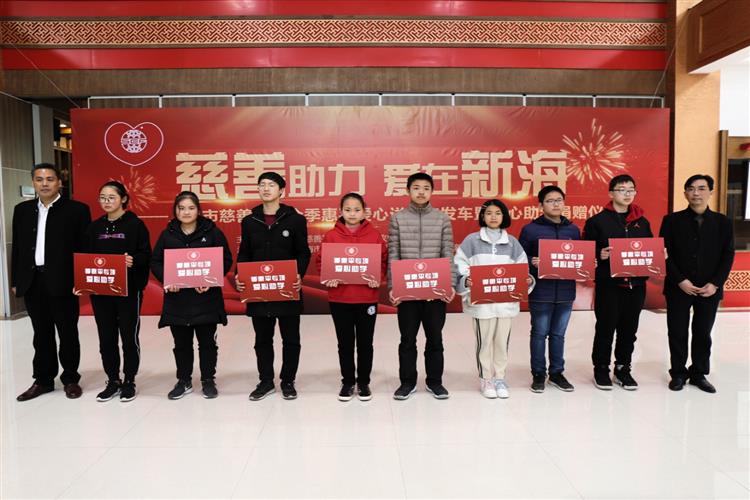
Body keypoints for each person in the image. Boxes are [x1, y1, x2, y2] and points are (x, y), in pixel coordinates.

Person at [12, 163, 91, 401]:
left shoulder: (77, 210)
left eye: (49, 179)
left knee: (67, 332)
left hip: (64, 282)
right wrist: (16, 279)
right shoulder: (22, 210)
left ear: (59, 182)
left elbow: (84, 248)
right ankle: (43, 380)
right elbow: (18, 247)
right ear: (33, 183)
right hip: (33, 280)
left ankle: (70, 379)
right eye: (39, 179)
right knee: (41, 333)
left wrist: (82, 280)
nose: (44, 184)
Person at [235, 172, 311, 401]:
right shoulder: (250, 221)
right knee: (262, 339)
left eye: (271, 185)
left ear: (281, 191)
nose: (266, 188)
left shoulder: (295, 220)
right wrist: (240, 274)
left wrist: (299, 274)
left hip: (287, 288)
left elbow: (303, 252)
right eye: (262, 185)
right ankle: (266, 381)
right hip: (259, 289)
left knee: (291, 339)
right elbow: (245, 253)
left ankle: (288, 381)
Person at [151, 191, 232, 400]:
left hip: (206, 299)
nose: (186, 212)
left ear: (198, 210)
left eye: (190, 208)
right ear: (175, 211)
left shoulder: (212, 232)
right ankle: (184, 380)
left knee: (207, 343)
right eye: (181, 208)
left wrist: (210, 279)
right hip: (177, 300)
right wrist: (167, 279)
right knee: (181, 344)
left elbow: (226, 258)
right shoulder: (167, 234)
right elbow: (156, 261)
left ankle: (208, 380)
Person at [660, 174, 734, 393]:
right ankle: (678, 373)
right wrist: (680, 280)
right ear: (685, 193)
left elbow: (728, 255)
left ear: (711, 191)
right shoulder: (671, 221)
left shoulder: (723, 222)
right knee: (677, 331)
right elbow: (664, 254)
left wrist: (715, 283)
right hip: (678, 287)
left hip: (709, 289)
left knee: (703, 332)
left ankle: (699, 374)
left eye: (701, 188)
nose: (696, 193)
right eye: (691, 189)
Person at [388, 172, 456, 400]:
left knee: (435, 338)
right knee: (407, 339)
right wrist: (393, 286)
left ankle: (435, 382)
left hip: (434, 290)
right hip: (407, 290)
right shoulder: (397, 218)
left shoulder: (442, 219)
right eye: (416, 187)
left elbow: (447, 253)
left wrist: (450, 284)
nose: (421, 192)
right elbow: (393, 254)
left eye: (426, 188)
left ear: (431, 192)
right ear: (408, 190)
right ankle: (407, 382)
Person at [455, 199, 532, 399]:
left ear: (504, 216)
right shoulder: (471, 241)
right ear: (482, 216)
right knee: (484, 343)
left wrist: (526, 280)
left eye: (498, 213)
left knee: (501, 342)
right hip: (482, 305)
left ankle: (500, 378)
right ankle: (486, 378)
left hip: (505, 304)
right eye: (489, 213)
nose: (493, 217)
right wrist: (467, 280)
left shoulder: (512, 243)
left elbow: (522, 268)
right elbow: (460, 265)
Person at [82, 181, 151, 402]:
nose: (106, 201)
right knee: (106, 337)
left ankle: (129, 380)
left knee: (129, 337)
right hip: (101, 291)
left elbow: (146, 255)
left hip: (128, 291)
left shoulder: (135, 225)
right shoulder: (94, 227)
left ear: (123, 199)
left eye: (111, 197)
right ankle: (113, 380)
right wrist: (82, 280)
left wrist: (133, 260)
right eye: (103, 197)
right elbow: (86, 257)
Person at [315, 193, 388, 401]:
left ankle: (363, 382)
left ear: (364, 212)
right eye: (348, 210)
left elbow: (383, 261)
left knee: (365, 343)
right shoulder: (331, 236)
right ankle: (347, 382)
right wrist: (328, 277)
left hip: (367, 298)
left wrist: (378, 277)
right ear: (341, 211)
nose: (352, 214)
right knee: (345, 343)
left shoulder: (374, 235)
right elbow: (321, 262)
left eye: (357, 210)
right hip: (340, 298)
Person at [583, 174, 653, 391]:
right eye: (622, 189)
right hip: (609, 286)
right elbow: (585, 253)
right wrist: (599, 253)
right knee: (605, 329)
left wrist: (659, 255)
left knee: (629, 330)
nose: (627, 194)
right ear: (611, 193)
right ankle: (601, 369)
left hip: (636, 286)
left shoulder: (642, 222)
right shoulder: (597, 222)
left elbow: (649, 249)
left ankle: (623, 369)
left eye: (631, 189)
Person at [519, 186, 579, 393]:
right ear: (541, 205)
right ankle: (538, 373)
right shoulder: (530, 230)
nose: (555, 204)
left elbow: (580, 257)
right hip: (540, 291)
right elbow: (519, 257)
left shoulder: (573, 230)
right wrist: (531, 260)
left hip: (566, 291)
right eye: (550, 201)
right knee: (539, 333)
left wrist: (589, 261)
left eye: (559, 200)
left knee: (558, 334)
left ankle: (556, 373)